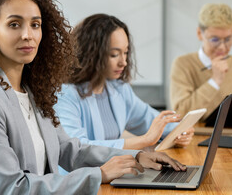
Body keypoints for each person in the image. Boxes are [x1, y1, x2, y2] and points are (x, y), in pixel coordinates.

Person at [0, 0, 186, 195]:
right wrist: (99, 174)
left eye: (35, 24)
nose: (27, 35)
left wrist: (137, 157)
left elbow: (70, 149)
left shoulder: (32, 91)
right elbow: (11, 188)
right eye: (14, 24)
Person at [55, 13, 194, 150]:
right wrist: (145, 140)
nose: (124, 62)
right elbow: (78, 148)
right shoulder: (65, 95)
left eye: (125, 52)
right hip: (81, 172)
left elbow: (151, 120)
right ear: (91, 54)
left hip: (112, 170)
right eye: (114, 54)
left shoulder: (118, 89)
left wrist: (180, 131)